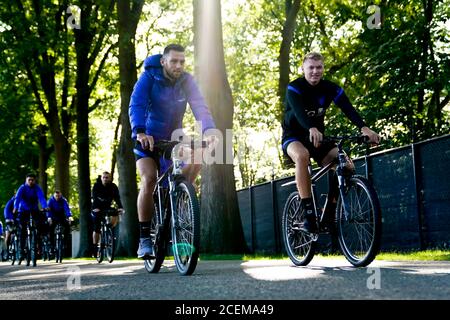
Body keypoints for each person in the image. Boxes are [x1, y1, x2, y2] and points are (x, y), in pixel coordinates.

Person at [128, 43, 216, 258]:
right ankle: (145, 239)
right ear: (163, 61)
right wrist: (140, 132)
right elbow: (136, 104)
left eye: (182, 62)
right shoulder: (149, 77)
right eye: (174, 61)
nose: (178, 66)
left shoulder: (187, 81)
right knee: (149, 179)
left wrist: (209, 129)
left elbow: (199, 105)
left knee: (197, 158)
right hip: (147, 137)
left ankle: (179, 197)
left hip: (175, 136)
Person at [281, 52, 380, 233]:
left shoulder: (330, 88)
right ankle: (309, 214)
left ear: (323, 69)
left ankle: (330, 212)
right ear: (303, 68)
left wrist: (365, 128)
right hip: (294, 137)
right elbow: (299, 113)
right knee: (302, 156)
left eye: (319, 67)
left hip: (318, 138)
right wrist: (311, 127)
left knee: (346, 165)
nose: (315, 71)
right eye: (311, 67)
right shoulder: (294, 88)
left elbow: (348, 108)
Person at [13, 173, 49, 258]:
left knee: (39, 225)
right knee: (23, 230)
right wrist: (15, 207)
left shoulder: (37, 188)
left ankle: (38, 246)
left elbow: (41, 197)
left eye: (32, 180)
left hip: (34, 209)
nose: (30, 181)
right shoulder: (22, 188)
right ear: (26, 180)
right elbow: (17, 198)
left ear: (34, 180)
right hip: (23, 210)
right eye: (29, 180)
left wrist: (45, 206)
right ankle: (21, 250)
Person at [91, 171, 123, 257]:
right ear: (101, 178)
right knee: (96, 228)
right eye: (104, 177)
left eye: (107, 177)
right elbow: (94, 197)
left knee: (116, 213)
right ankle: (95, 247)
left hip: (107, 207)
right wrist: (95, 208)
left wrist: (120, 207)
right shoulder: (96, 185)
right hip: (97, 207)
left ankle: (110, 228)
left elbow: (117, 198)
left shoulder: (113, 187)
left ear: (110, 178)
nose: (105, 179)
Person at [47, 190, 73, 255]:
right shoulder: (50, 201)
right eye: (56, 196)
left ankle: (64, 243)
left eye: (59, 196)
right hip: (53, 217)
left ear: (61, 195)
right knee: (50, 229)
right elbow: (48, 210)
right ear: (54, 196)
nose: (57, 197)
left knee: (67, 226)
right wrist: (49, 217)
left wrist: (69, 216)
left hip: (61, 217)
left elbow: (67, 209)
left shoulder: (63, 200)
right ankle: (51, 246)